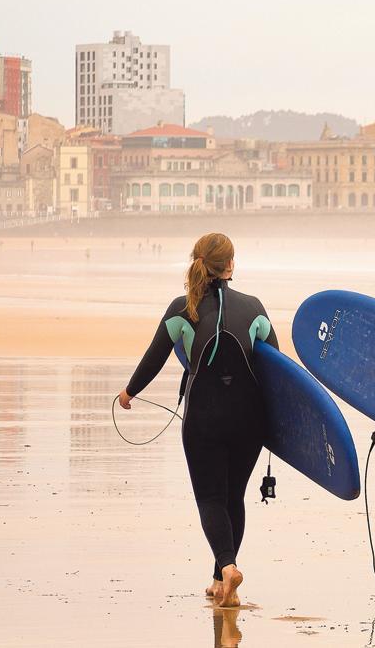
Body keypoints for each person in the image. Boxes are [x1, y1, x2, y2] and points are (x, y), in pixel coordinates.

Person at [117, 233, 277, 607]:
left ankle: (227, 567)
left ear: (198, 262)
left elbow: (154, 357)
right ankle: (221, 577)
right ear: (231, 265)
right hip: (249, 421)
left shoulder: (181, 309)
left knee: (209, 497)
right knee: (232, 496)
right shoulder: (254, 308)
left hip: (203, 417)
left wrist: (129, 393)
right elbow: (276, 369)